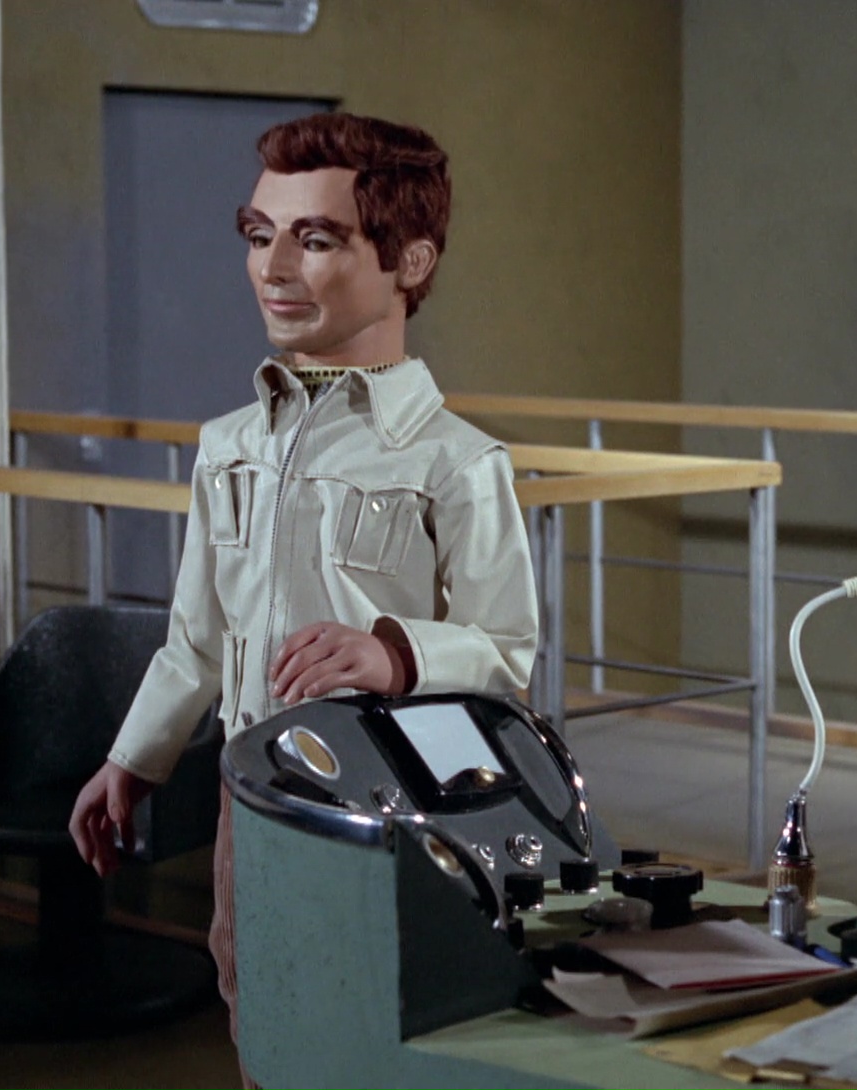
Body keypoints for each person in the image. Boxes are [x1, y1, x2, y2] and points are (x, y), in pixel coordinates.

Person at [66, 112, 539, 1085]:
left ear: (410, 261)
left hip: (395, 807)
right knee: (260, 1007)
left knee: (382, 1026)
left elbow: (508, 652)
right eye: (259, 234)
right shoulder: (229, 446)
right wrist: (133, 760)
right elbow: (197, 639)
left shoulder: (457, 463)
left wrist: (395, 656)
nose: (273, 267)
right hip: (254, 797)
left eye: (315, 239)